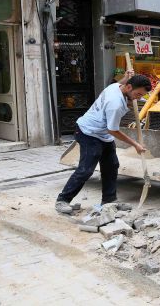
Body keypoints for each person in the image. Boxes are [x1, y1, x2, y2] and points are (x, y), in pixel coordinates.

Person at [55, 74, 152, 214]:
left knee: (111, 166)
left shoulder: (116, 86)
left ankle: (109, 201)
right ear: (129, 87)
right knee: (85, 170)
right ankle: (62, 200)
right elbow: (113, 130)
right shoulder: (115, 104)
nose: (138, 98)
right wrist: (135, 144)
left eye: (141, 95)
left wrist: (125, 77)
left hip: (102, 134)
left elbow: (122, 83)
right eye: (137, 94)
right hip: (89, 133)